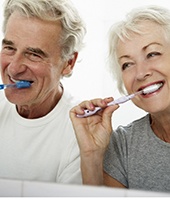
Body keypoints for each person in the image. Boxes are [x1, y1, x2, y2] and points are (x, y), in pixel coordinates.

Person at [70, 5, 170, 192]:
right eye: (127, 64)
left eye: (152, 54)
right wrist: (91, 155)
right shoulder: (122, 144)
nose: (140, 73)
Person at [0, 0, 86, 184]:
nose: (14, 68)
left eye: (34, 54)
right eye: (9, 48)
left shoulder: (81, 133)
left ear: (68, 63)